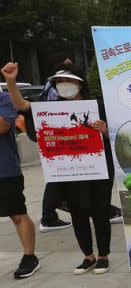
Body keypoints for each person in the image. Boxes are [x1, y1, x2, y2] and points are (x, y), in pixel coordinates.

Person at [4, 63, 115, 274]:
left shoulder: (97, 106)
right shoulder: (51, 108)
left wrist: (106, 131)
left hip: (98, 168)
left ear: (80, 84)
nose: (65, 85)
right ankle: (88, 256)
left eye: (69, 81)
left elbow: (117, 136)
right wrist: (11, 80)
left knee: (100, 211)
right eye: (60, 82)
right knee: (77, 212)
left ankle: (103, 255)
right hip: (69, 170)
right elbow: (22, 105)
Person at [0, 68, 39, 279]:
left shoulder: (4, 99)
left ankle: (29, 256)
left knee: (16, 213)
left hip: (5, 170)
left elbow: (3, 125)